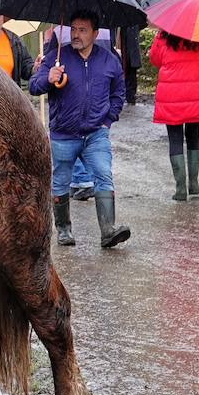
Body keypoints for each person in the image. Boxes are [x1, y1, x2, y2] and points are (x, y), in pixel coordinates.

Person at [30, 13, 131, 249]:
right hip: (63, 135)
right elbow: (35, 86)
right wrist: (48, 78)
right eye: (73, 29)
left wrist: (107, 120)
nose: (76, 34)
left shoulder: (109, 60)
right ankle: (64, 230)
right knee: (61, 182)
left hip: (96, 133)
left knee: (103, 174)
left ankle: (108, 231)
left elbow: (119, 93)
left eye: (83, 30)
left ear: (95, 34)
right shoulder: (57, 56)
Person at [149, 29, 199, 201]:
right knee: (193, 135)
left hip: (171, 93)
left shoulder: (163, 35)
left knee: (175, 139)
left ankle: (180, 188)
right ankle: (194, 184)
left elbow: (155, 60)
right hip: (197, 92)